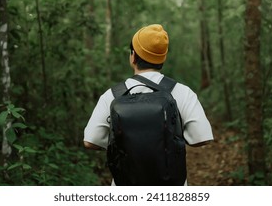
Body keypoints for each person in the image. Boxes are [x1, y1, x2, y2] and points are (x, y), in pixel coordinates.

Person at [83, 23, 213, 185]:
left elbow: (90, 141)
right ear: (162, 58)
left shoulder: (112, 95)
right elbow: (202, 138)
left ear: (133, 56)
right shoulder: (182, 92)